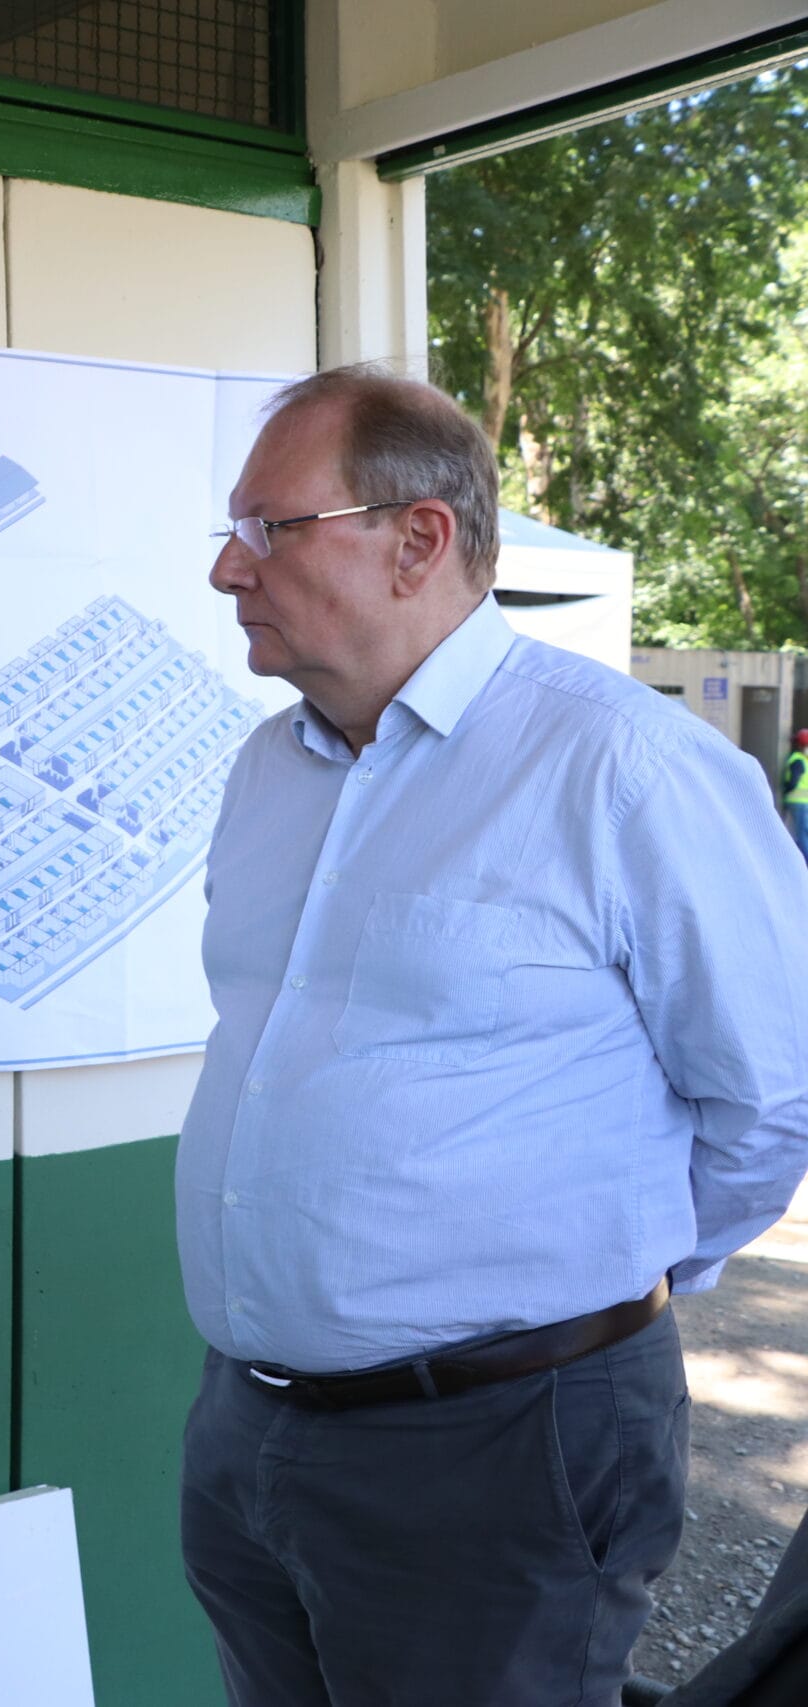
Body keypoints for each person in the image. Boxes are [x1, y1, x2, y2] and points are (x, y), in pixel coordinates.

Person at [176, 365, 808, 1706]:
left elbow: (773, 1102)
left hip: (505, 1435)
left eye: (269, 528)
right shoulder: (268, 768)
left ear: (418, 537)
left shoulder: (621, 763)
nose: (231, 570)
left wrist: (589, 1291)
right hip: (250, 1420)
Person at [784, 730, 808, 860]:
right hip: (805, 802)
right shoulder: (805, 760)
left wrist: (786, 789)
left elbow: (793, 782)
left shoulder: (797, 760)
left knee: (801, 835)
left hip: (797, 802)